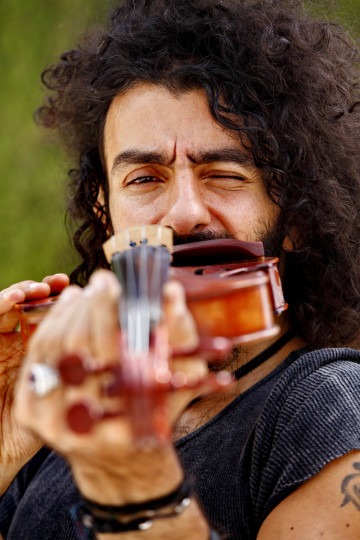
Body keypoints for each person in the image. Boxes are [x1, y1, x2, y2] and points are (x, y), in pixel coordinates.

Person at [1, 0, 360, 538]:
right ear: (106, 214)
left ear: (297, 217)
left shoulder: (329, 409)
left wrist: (139, 490)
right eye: (145, 178)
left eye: (224, 174)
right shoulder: (62, 403)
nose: (185, 213)